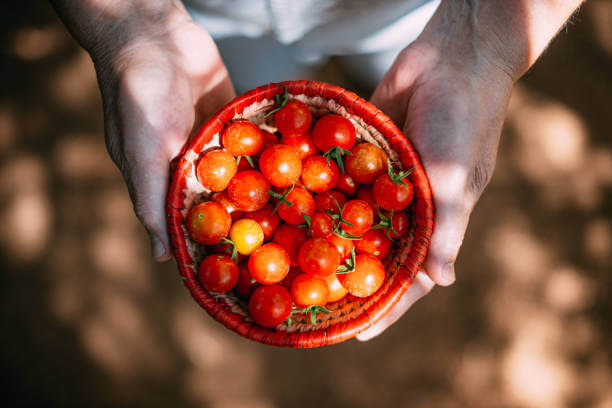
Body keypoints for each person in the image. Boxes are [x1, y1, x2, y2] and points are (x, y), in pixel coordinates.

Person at [50, 0, 584, 340]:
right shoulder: (292, 215)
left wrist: (477, 35)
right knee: (250, 74)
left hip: (405, 13)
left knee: (394, 68)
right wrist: (129, 20)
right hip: (210, 14)